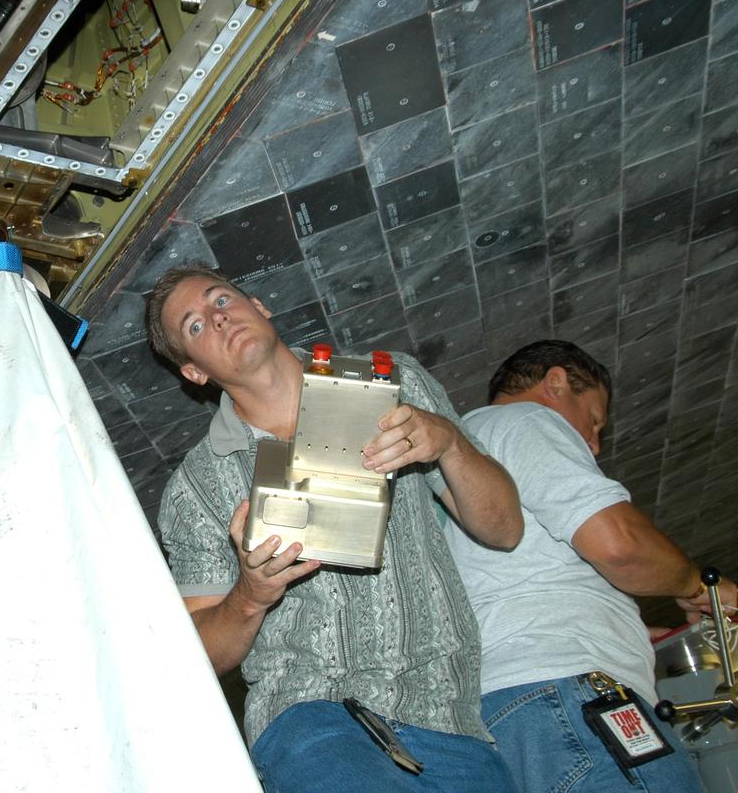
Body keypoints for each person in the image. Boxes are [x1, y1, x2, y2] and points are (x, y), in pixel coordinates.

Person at [147, 264, 523, 792]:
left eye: (222, 299)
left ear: (259, 304)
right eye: (194, 326)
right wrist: (250, 597)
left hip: (451, 715)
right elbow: (199, 655)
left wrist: (450, 443)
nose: (218, 318)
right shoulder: (196, 486)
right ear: (194, 373)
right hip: (311, 715)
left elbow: (505, 529)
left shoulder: (393, 385)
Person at [443, 339, 735, 793]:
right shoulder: (523, 420)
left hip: (501, 717)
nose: (595, 445)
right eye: (594, 421)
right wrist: (699, 587)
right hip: (569, 698)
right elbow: (618, 545)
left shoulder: (458, 461)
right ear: (556, 382)